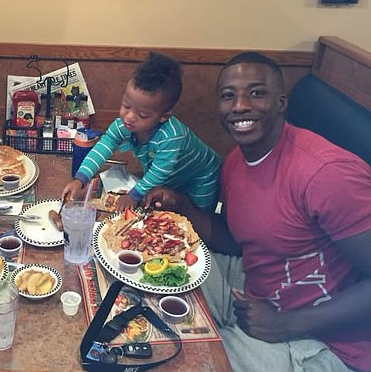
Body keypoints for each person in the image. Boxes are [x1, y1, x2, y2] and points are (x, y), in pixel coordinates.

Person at [143, 52, 371, 371]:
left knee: (174, 362)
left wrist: (285, 324)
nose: (239, 105)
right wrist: (183, 206)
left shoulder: (327, 174)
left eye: (256, 92)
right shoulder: (236, 161)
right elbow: (240, 239)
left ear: (280, 102)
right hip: (251, 287)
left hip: (321, 342)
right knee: (145, 280)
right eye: (228, 96)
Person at [61, 52, 221, 212]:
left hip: (202, 176)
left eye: (143, 115)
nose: (129, 117)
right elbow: (104, 146)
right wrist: (80, 179)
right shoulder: (123, 124)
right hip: (170, 178)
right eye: (126, 105)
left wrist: (134, 195)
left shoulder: (171, 136)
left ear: (164, 116)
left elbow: (158, 173)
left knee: (196, 218)